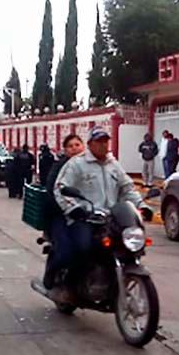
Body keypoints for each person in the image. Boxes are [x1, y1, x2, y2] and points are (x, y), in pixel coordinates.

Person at [37, 127, 152, 300]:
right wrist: (74, 209)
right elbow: (60, 188)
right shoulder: (76, 164)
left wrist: (142, 207)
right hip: (86, 218)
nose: (103, 145)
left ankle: (110, 281)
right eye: (99, 141)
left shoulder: (113, 165)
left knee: (127, 246)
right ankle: (69, 285)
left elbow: (127, 188)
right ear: (90, 144)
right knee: (83, 248)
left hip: (110, 218)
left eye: (105, 141)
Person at [41, 134, 85, 289]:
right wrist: (68, 208)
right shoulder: (60, 167)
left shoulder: (90, 165)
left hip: (85, 214)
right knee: (66, 251)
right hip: (60, 214)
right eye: (70, 146)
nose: (74, 148)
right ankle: (51, 272)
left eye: (77, 145)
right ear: (65, 150)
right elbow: (53, 191)